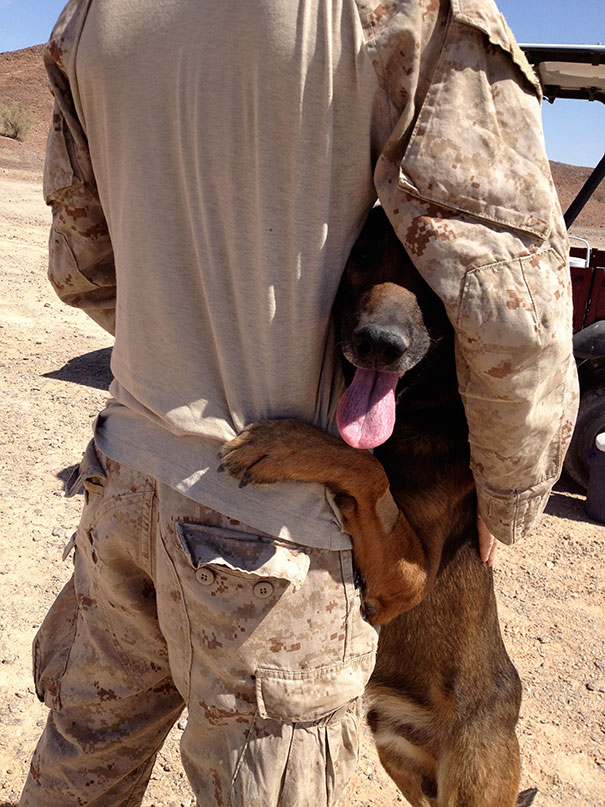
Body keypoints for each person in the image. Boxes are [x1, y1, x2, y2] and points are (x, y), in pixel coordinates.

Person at [20, 0, 578, 805]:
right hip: (273, 530)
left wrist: (189, 357)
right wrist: (508, 488)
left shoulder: (88, 16)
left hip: (127, 472)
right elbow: (505, 306)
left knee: (80, 773)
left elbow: (81, 264)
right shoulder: (409, 10)